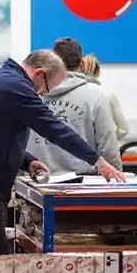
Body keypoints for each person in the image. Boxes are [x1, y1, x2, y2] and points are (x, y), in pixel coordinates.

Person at [0, 50, 124, 258]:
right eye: (46, 89)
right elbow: (54, 128)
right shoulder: (16, 87)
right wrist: (98, 161)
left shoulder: (1, 80)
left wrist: (28, 161)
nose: (41, 94)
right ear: (39, 73)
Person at [28, 38, 122, 173]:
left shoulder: (32, 93)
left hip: (38, 179)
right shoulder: (96, 95)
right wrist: (117, 177)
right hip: (83, 185)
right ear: (83, 64)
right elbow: (108, 148)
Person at [81, 53, 129, 140]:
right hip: (102, 150)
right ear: (99, 72)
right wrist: (107, 141)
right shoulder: (108, 95)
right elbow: (123, 130)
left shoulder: (70, 93)